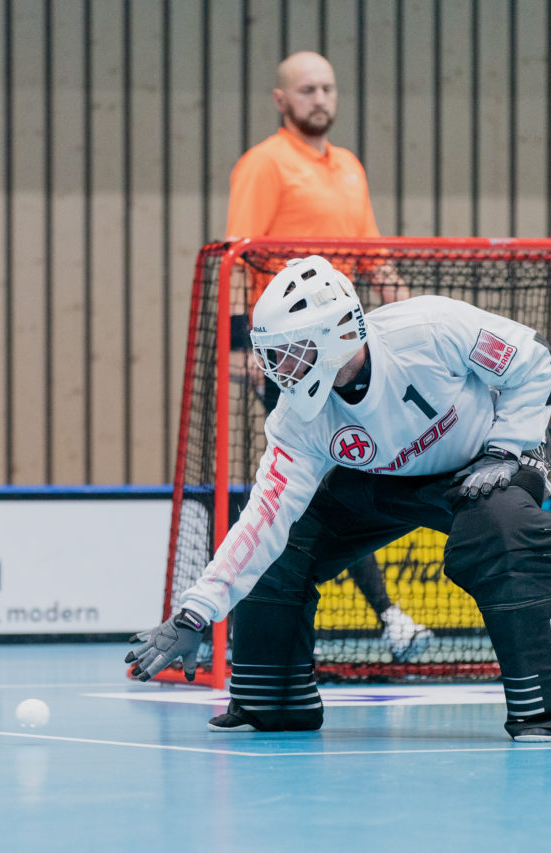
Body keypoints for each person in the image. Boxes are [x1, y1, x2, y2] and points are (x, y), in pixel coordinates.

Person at [127, 255, 551, 743]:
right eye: (272, 354)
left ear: (333, 336)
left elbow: (531, 359)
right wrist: (196, 611)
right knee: (285, 544)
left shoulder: (429, 327)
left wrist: (505, 447)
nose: (274, 368)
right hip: (383, 476)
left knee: (507, 534)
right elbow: (264, 517)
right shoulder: (297, 419)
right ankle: (270, 700)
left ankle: (542, 710)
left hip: (482, 464)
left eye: (288, 351)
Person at [225, 50, 427, 662]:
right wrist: (239, 347)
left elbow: (373, 259)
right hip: (290, 365)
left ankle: (383, 618)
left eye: (328, 88)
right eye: (307, 90)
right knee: (309, 486)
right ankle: (275, 630)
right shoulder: (264, 165)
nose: (320, 99)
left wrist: (417, 325)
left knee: (346, 481)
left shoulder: (349, 169)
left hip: (349, 358)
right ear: (281, 100)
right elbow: (239, 257)